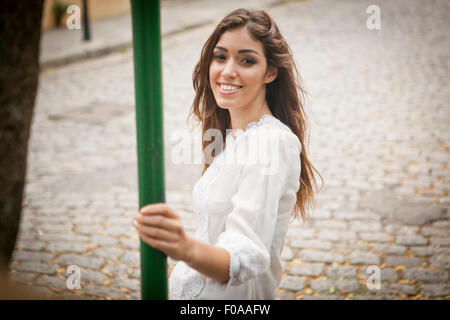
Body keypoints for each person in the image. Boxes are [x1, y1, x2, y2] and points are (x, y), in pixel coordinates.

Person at [133, 8, 322, 300]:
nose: (228, 70)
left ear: (270, 72)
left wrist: (183, 247)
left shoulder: (272, 142)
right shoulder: (232, 137)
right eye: (220, 57)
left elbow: (246, 254)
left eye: (247, 60)